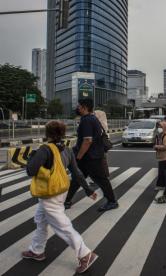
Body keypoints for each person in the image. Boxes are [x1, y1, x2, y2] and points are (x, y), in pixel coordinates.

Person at [22, 121, 98, 274]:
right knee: (41, 220)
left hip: (49, 193)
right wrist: (88, 189)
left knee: (62, 226)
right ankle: (37, 251)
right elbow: (77, 173)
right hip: (60, 190)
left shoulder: (45, 149)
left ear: (47, 134)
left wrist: (31, 157)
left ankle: (85, 254)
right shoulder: (68, 150)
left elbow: (30, 170)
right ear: (63, 133)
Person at [65, 98, 118, 212]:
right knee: (77, 179)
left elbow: (87, 140)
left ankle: (112, 201)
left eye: (79, 106)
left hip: (91, 158)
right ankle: (67, 201)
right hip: (90, 157)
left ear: (84, 107)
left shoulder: (87, 120)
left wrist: (78, 157)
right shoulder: (92, 118)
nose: (77, 108)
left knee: (101, 180)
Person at [94, 110, 110, 178]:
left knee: (100, 160)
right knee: (102, 160)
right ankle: (105, 175)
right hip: (102, 143)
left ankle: (103, 176)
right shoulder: (103, 123)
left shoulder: (98, 123)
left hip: (99, 143)